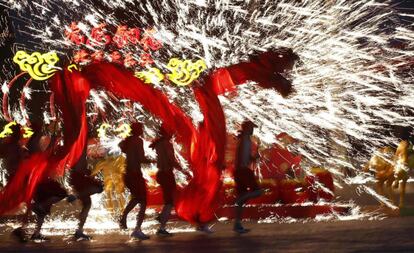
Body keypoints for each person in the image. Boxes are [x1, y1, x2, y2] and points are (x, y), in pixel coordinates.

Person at [150, 124, 190, 236]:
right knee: (169, 201)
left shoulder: (158, 143)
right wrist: (183, 170)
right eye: (171, 131)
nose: (173, 133)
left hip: (161, 174)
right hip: (167, 174)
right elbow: (171, 160)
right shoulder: (167, 144)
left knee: (169, 200)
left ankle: (161, 218)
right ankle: (161, 228)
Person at [119, 122, 152, 240]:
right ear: (137, 130)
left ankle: (123, 217)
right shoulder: (138, 141)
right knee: (143, 200)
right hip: (135, 174)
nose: (143, 130)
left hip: (128, 174)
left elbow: (121, 146)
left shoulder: (127, 140)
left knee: (137, 198)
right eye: (141, 128)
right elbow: (141, 158)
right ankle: (137, 229)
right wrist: (153, 160)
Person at [233, 120, 263, 234]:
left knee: (241, 200)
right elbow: (242, 157)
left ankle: (237, 225)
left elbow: (244, 156)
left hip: (238, 171)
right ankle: (242, 197)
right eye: (251, 128)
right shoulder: (245, 140)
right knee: (258, 192)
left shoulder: (243, 139)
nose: (253, 130)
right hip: (243, 170)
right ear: (247, 128)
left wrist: (253, 158)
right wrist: (247, 163)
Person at [69, 144, 104, 240]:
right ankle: (76, 196)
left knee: (87, 204)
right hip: (78, 177)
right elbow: (79, 167)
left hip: (77, 176)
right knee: (99, 187)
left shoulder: (78, 150)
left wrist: (88, 172)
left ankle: (79, 230)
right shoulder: (80, 149)